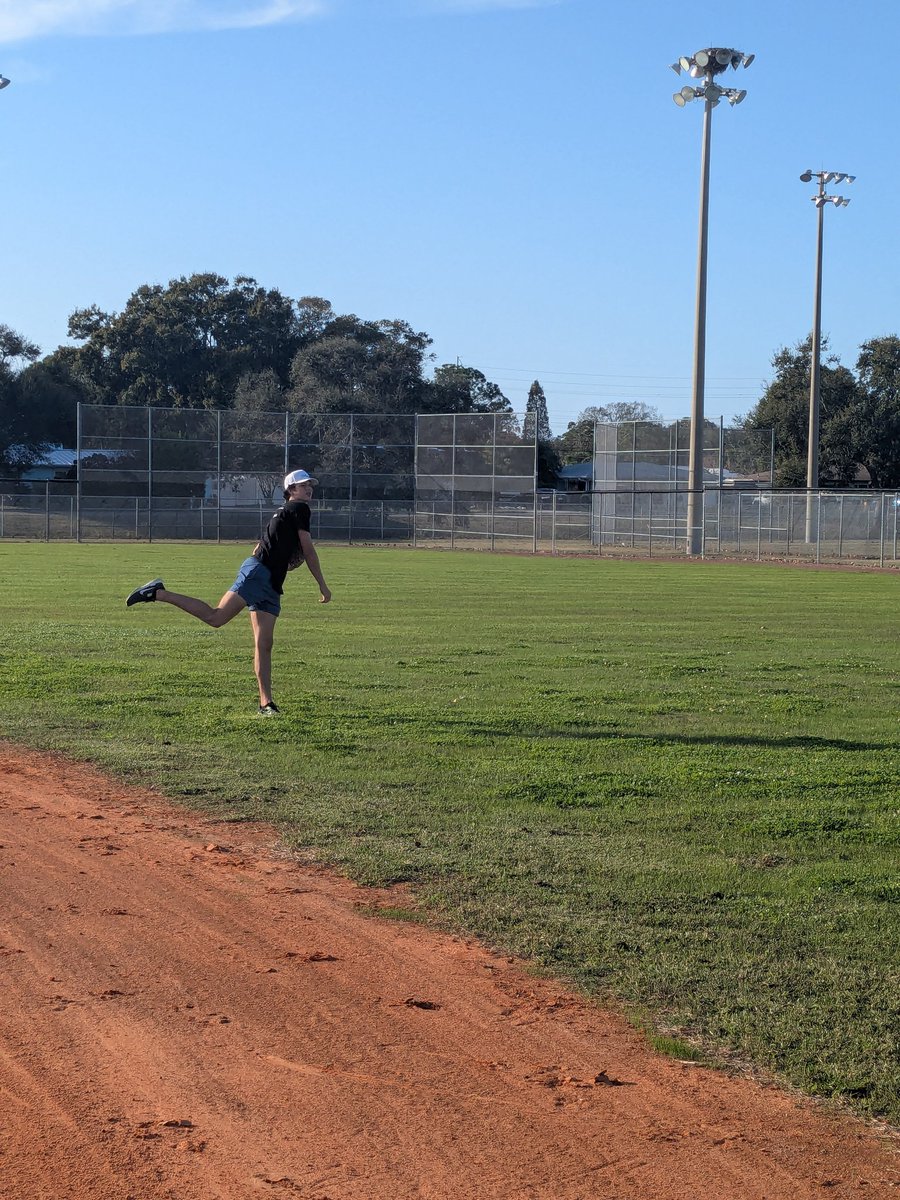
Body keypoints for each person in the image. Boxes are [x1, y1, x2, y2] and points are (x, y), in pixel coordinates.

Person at [126, 469, 331, 715]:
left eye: (310, 484)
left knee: (264, 644)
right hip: (259, 575)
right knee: (216, 617)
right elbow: (308, 549)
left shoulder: (284, 512)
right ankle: (158, 593)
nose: (309, 488)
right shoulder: (298, 508)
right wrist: (322, 584)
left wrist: (280, 561)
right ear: (291, 490)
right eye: (303, 485)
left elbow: (260, 546)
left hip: (269, 579)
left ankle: (266, 704)